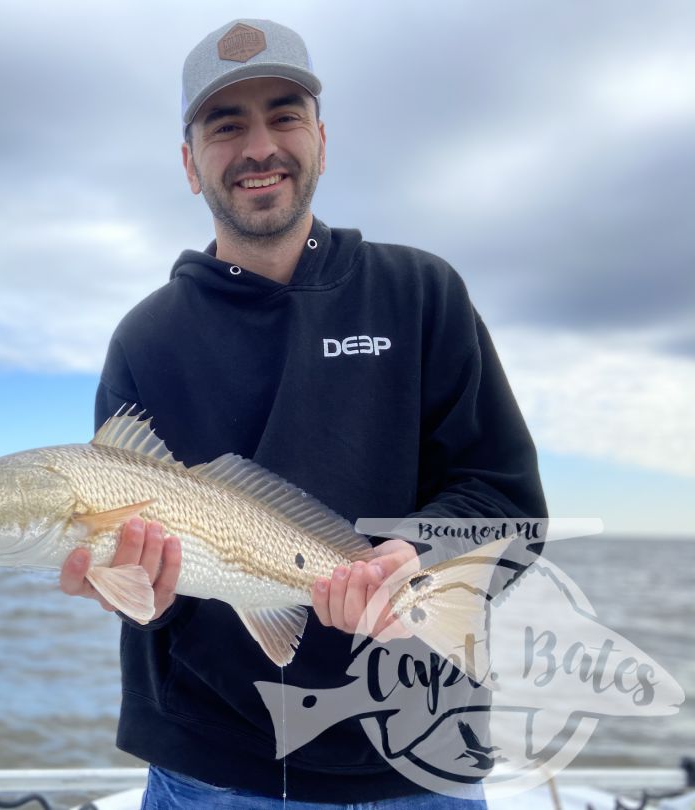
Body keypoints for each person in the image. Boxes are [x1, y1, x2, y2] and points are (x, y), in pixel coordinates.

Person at [60, 18, 547, 808]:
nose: (259, 147)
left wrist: (412, 559)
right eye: (226, 125)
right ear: (189, 164)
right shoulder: (146, 340)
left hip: (419, 752)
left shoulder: (422, 294)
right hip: (213, 768)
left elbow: (505, 500)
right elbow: (145, 583)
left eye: (283, 114)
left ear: (321, 138)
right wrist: (135, 595)